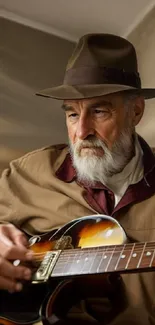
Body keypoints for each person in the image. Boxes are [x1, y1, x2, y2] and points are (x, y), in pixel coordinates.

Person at [0, 33, 155, 325]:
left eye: (98, 111)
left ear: (135, 111)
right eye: (72, 113)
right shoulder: (27, 172)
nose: (81, 131)